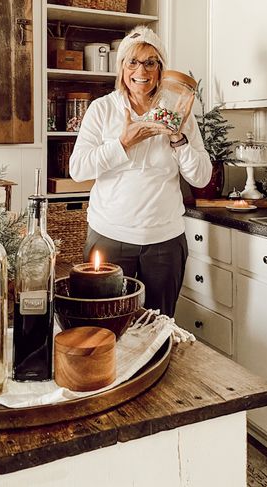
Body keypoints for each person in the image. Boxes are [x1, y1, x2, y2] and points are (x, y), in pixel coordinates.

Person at [69, 26, 211, 316]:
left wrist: (178, 139)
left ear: (160, 69)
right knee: (105, 327)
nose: (141, 70)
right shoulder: (102, 109)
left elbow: (202, 177)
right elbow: (78, 168)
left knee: (157, 327)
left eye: (150, 62)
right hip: (109, 237)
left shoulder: (178, 114)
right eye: (132, 62)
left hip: (165, 243)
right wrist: (123, 143)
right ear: (121, 68)